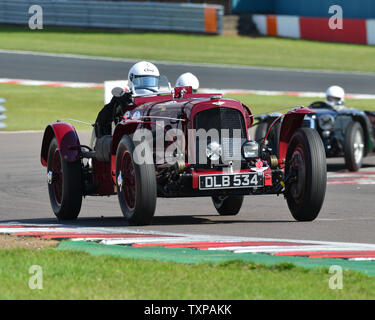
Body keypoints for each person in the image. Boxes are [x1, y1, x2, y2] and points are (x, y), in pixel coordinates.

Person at [95, 61, 160, 138]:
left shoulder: (162, 101)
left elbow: (101, 120)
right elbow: (102, 120)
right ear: (131, 79)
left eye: (151, 81)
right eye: (141, 81)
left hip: (153, 137)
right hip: (131, 138)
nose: (147, 85)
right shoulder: (122, 98)